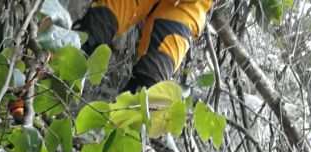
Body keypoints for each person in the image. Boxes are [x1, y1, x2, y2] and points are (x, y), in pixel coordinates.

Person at [79, 0, 214, 88]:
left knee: (151, 79)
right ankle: (60, 83)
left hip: (189, 6)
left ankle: (124, 128)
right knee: (95, 28)